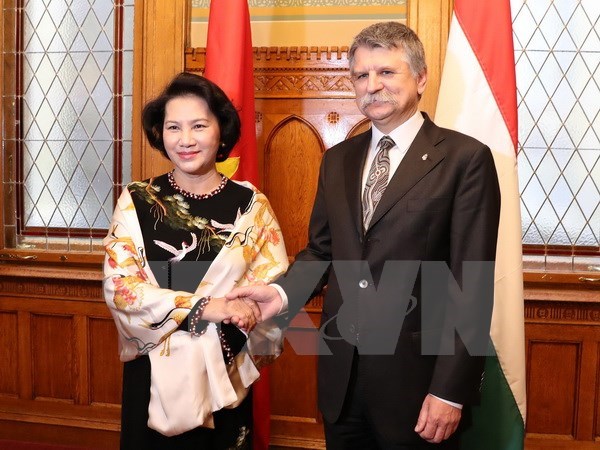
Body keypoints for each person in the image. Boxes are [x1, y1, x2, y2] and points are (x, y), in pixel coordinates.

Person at [227, 22, 501, 449]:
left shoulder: (465, 160)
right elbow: (322, 252)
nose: (372, 86)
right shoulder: (337, 160)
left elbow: (473, 282)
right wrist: (280, 295)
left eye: (387, 73)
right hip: (342, 379)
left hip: (419, 386)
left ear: (421, 77)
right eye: (361, 75)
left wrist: (449, 390)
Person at [103, 72, 289, 449]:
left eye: (199, 126)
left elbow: (274, 289)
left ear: (221, 130)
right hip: (152, 374)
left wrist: (243, 313)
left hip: (224, 369)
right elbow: (120, 289)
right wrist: (206, 306)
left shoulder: (253, 206)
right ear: (160, 134)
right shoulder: (137, 200)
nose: (185, 140)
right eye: (173, 127)